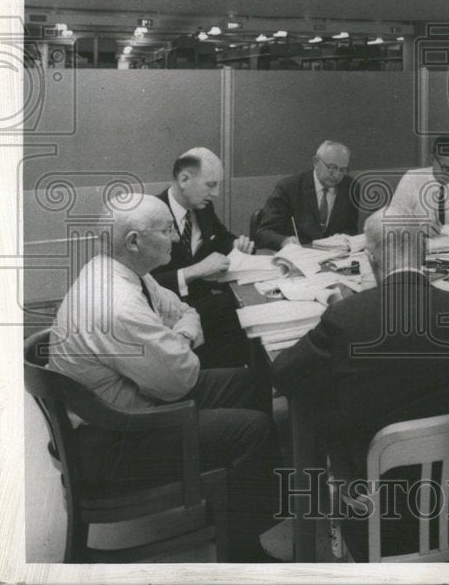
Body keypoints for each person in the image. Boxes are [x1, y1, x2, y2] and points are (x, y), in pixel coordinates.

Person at [272, 210, 449, 559]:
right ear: (424, 253)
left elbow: (284, 375)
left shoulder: (346, 318)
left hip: (388, 514)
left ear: (371, 260)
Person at [48, 195, 278, 562]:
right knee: (254, 429)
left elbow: (183, 310)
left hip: (128, 405)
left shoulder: (121, 271)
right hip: (115, 439)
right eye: (167, 229)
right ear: (134, 241)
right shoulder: (117, 303)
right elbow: (182, 378)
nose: (175, 238)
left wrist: (178, 337)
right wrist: (183, 338)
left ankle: (239, 502)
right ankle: (243, 550)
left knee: (250, 383)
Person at [152, 147, 257, 369]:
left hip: (201, 302)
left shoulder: (202, 207)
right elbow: (144, 282)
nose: (216, 193)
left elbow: (221, 238)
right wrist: (195, 271)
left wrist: (237, 244)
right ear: (184, 179)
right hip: (169, 312)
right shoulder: (151, 215)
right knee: (244, 319)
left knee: (248, 313)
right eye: (211, 185)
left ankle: (245, 376)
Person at [254, 140, 362, 248]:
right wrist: (284, 241)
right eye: (331, 167)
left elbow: (351, 228)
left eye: (343, 170)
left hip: (334, 257)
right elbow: (264, 232)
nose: (337, 175)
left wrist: (343, 238)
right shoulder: (289, 187)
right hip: (299, 256)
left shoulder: (351, 187)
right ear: (316, 162)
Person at [389, 135, 449, 230]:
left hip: (448, 241)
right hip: (414, 240)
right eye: (445, 168)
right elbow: (394, 221)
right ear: (432, 159)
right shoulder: (411, 179)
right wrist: (419, 229)